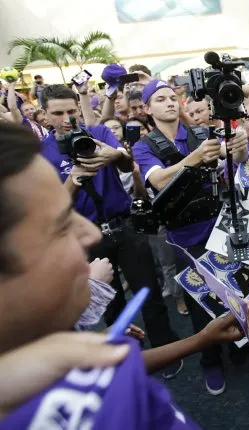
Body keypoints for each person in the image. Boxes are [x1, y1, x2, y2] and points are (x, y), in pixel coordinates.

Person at [0, 123, 249, 427]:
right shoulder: (91, 406)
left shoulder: (59, 365)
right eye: (60, 226)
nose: (90, 232)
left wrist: (199, 341)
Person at [39, 85, 183, 379]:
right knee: (109, 300)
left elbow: (128, 165)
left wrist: (110, 156)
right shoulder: (42, 153)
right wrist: (74, 179)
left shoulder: (99, 133)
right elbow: (52, 209)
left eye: (71, 111)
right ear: (44, 116)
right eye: (58, 113)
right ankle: (121, 359)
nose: (67, 118)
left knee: (149, 293)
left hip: (125, 225)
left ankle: (165, 353)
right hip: (86, 237)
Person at [132, 79, 249, 395]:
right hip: (182, 237)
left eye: (173, 97)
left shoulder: (200, 133)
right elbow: (156, 180)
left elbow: (232, 163)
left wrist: (239, 149)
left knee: (232, 291)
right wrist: (194, 158)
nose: (169, 103)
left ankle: (239, 347)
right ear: (147, 108)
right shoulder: (144, 146)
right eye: (160, 99)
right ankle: (210, 361)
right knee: (200, 304)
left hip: (219, 228)